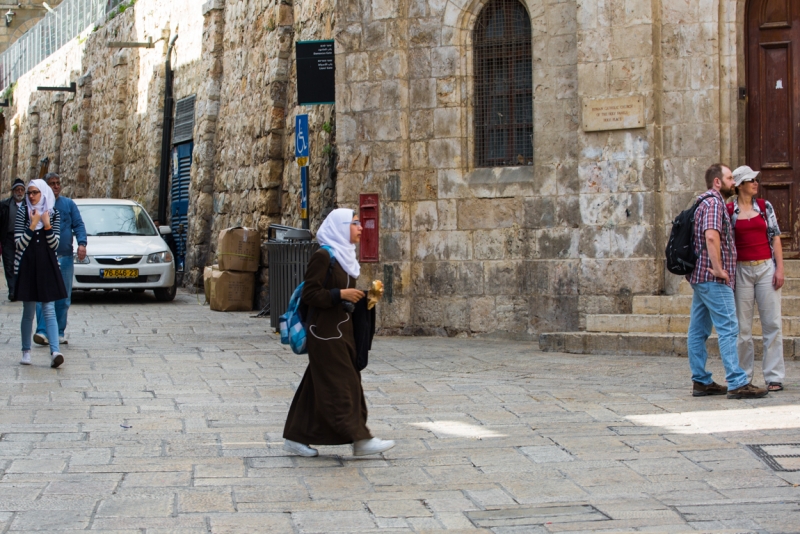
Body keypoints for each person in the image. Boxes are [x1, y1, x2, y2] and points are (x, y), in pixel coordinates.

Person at [282, 208, 395, 457]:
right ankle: (360, 439)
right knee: (344, 385)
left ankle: (295, 436)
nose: (360, 228)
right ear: (341, 226)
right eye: (355, 223)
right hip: (323, 334)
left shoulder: (346, 258)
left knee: (317, 385)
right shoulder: (323, 256)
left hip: (342, 333)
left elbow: (347, 300)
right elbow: (311, 294)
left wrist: (370, 297)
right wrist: (339, 294)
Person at [686, 163, 768, 399]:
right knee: (729, 328)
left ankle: (701, 381)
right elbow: (711, 237)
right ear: (717, 182)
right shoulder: (714, 203)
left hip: (700, 277)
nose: (734, 182)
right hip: (713, 278)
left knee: (698, 330)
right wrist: (720, 270)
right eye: (730, 178)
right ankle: (737, 381)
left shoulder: (703, 201)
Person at [727, 165, 786, 392]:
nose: (756, 184)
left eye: (756, 180)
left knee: (772, 323)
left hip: (765, 268)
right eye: (751, 180)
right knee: (742, 328)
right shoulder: (730, 210)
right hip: (741, 271)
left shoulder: (764, 207)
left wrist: (779, 269)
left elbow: (775, 238)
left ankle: (774, 376)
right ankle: (743, 377)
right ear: (740, 185)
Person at [15, 179, 67, 368]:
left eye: (35, 192)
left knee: (49, 308)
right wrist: (32, 224)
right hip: (28, 264)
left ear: (43, 193)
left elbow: (54, 244)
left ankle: (55, 351)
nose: (31, 196)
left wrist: (46, 225)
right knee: (28, 311)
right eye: (29, 193)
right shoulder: (23, 212)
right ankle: (26, 350)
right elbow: (19, 243)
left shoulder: (53, 213)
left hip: (46, 264)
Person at [33, 173, 87, 346]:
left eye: (58, 183)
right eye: (52, 184)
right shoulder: (39, 205)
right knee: (43, 295)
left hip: (64, 257)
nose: (56, 186)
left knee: (63, 297)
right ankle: (42, 332)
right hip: (44, 258)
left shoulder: (68, 205)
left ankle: (59, 331)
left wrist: (82, 243)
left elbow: (78, 224)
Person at [0, 178, 26, 301]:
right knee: (9, 264)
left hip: (24, 238)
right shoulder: (4, 205)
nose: (19, 192)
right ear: (13, 191)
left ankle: (22, 289)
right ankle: (12, 290)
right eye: (17, 190)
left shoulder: (28, 205)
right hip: (9, 238)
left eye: (21, 190)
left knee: (22, 263)